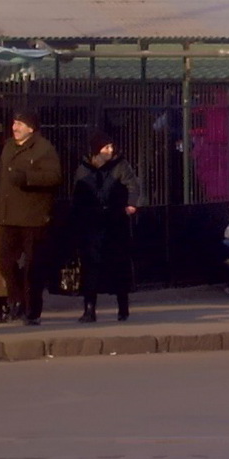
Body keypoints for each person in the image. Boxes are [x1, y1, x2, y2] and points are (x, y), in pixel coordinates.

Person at [0, 110, 62, 326]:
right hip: (9, 215)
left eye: (19, 123)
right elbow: (2, 180)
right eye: (14, 123)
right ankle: (17, 298)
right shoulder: (9, 146)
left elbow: (54, 176)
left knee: (33, 266)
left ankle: (32, 311)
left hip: (33, 217)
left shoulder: (44, 148)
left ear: (31, 128)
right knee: (4, 259)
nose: (15, 127)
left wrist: (27, 178)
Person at [72, 130, 141, 322]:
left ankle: (123, 307)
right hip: (91, 223)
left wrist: (131, 204)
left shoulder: (120, 165)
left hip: (114, 221)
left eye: (111, 146)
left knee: (119, 265)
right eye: (106, 147)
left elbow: (132, 185)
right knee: (90, 266)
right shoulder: (84, 168)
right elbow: (78, 194)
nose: (110, 150)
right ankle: (89, 309)